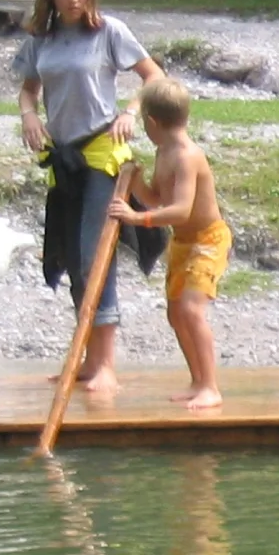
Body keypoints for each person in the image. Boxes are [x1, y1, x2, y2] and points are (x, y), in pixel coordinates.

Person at [13, 0, 164, 393]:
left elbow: (153, 76)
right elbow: (28, 89)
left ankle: (106, 365)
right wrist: (28, 115)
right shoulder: (41, 38)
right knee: (71, 256)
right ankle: (87, 357)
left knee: (93, 255)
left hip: (103, 151)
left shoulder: (108, 31)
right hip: (64, 155)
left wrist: (130, 111)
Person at [107, 78, 231, 408]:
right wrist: (135, 183)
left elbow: (180, 210)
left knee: (191, 310)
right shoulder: (163, 151)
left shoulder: (188, 156)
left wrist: (136, 219)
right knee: (176, 314)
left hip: (208, 240)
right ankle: (197, 380)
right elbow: (157, 199)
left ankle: (211, 387)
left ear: (151, 122)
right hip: (183, 242)